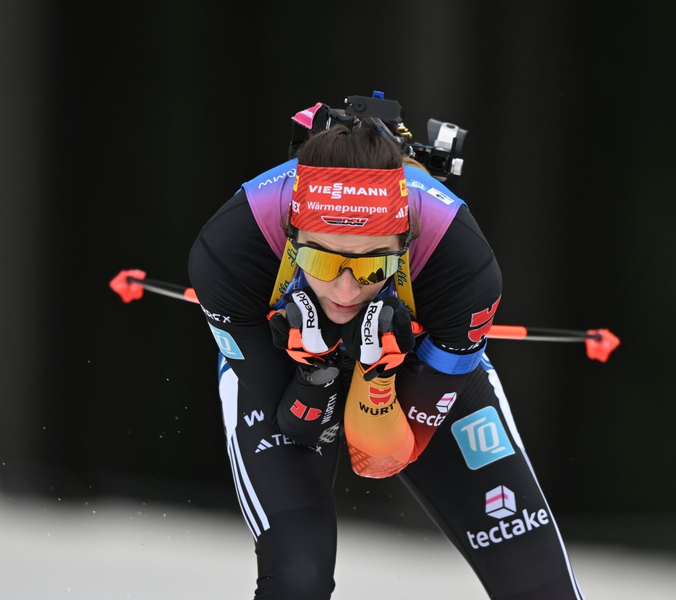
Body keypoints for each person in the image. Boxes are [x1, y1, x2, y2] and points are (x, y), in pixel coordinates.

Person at [187, 100, 586, 599]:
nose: (347, 291)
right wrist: (318, 371)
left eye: (374, 267)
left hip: (415, 354)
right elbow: (298, 424)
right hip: (285, 352)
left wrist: (377, 378)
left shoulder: (460, 263)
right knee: (297, 578)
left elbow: (380, 459)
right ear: (291, 236)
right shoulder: (230, 248)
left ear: (404, 242)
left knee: (540, 589)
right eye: (323, 261)